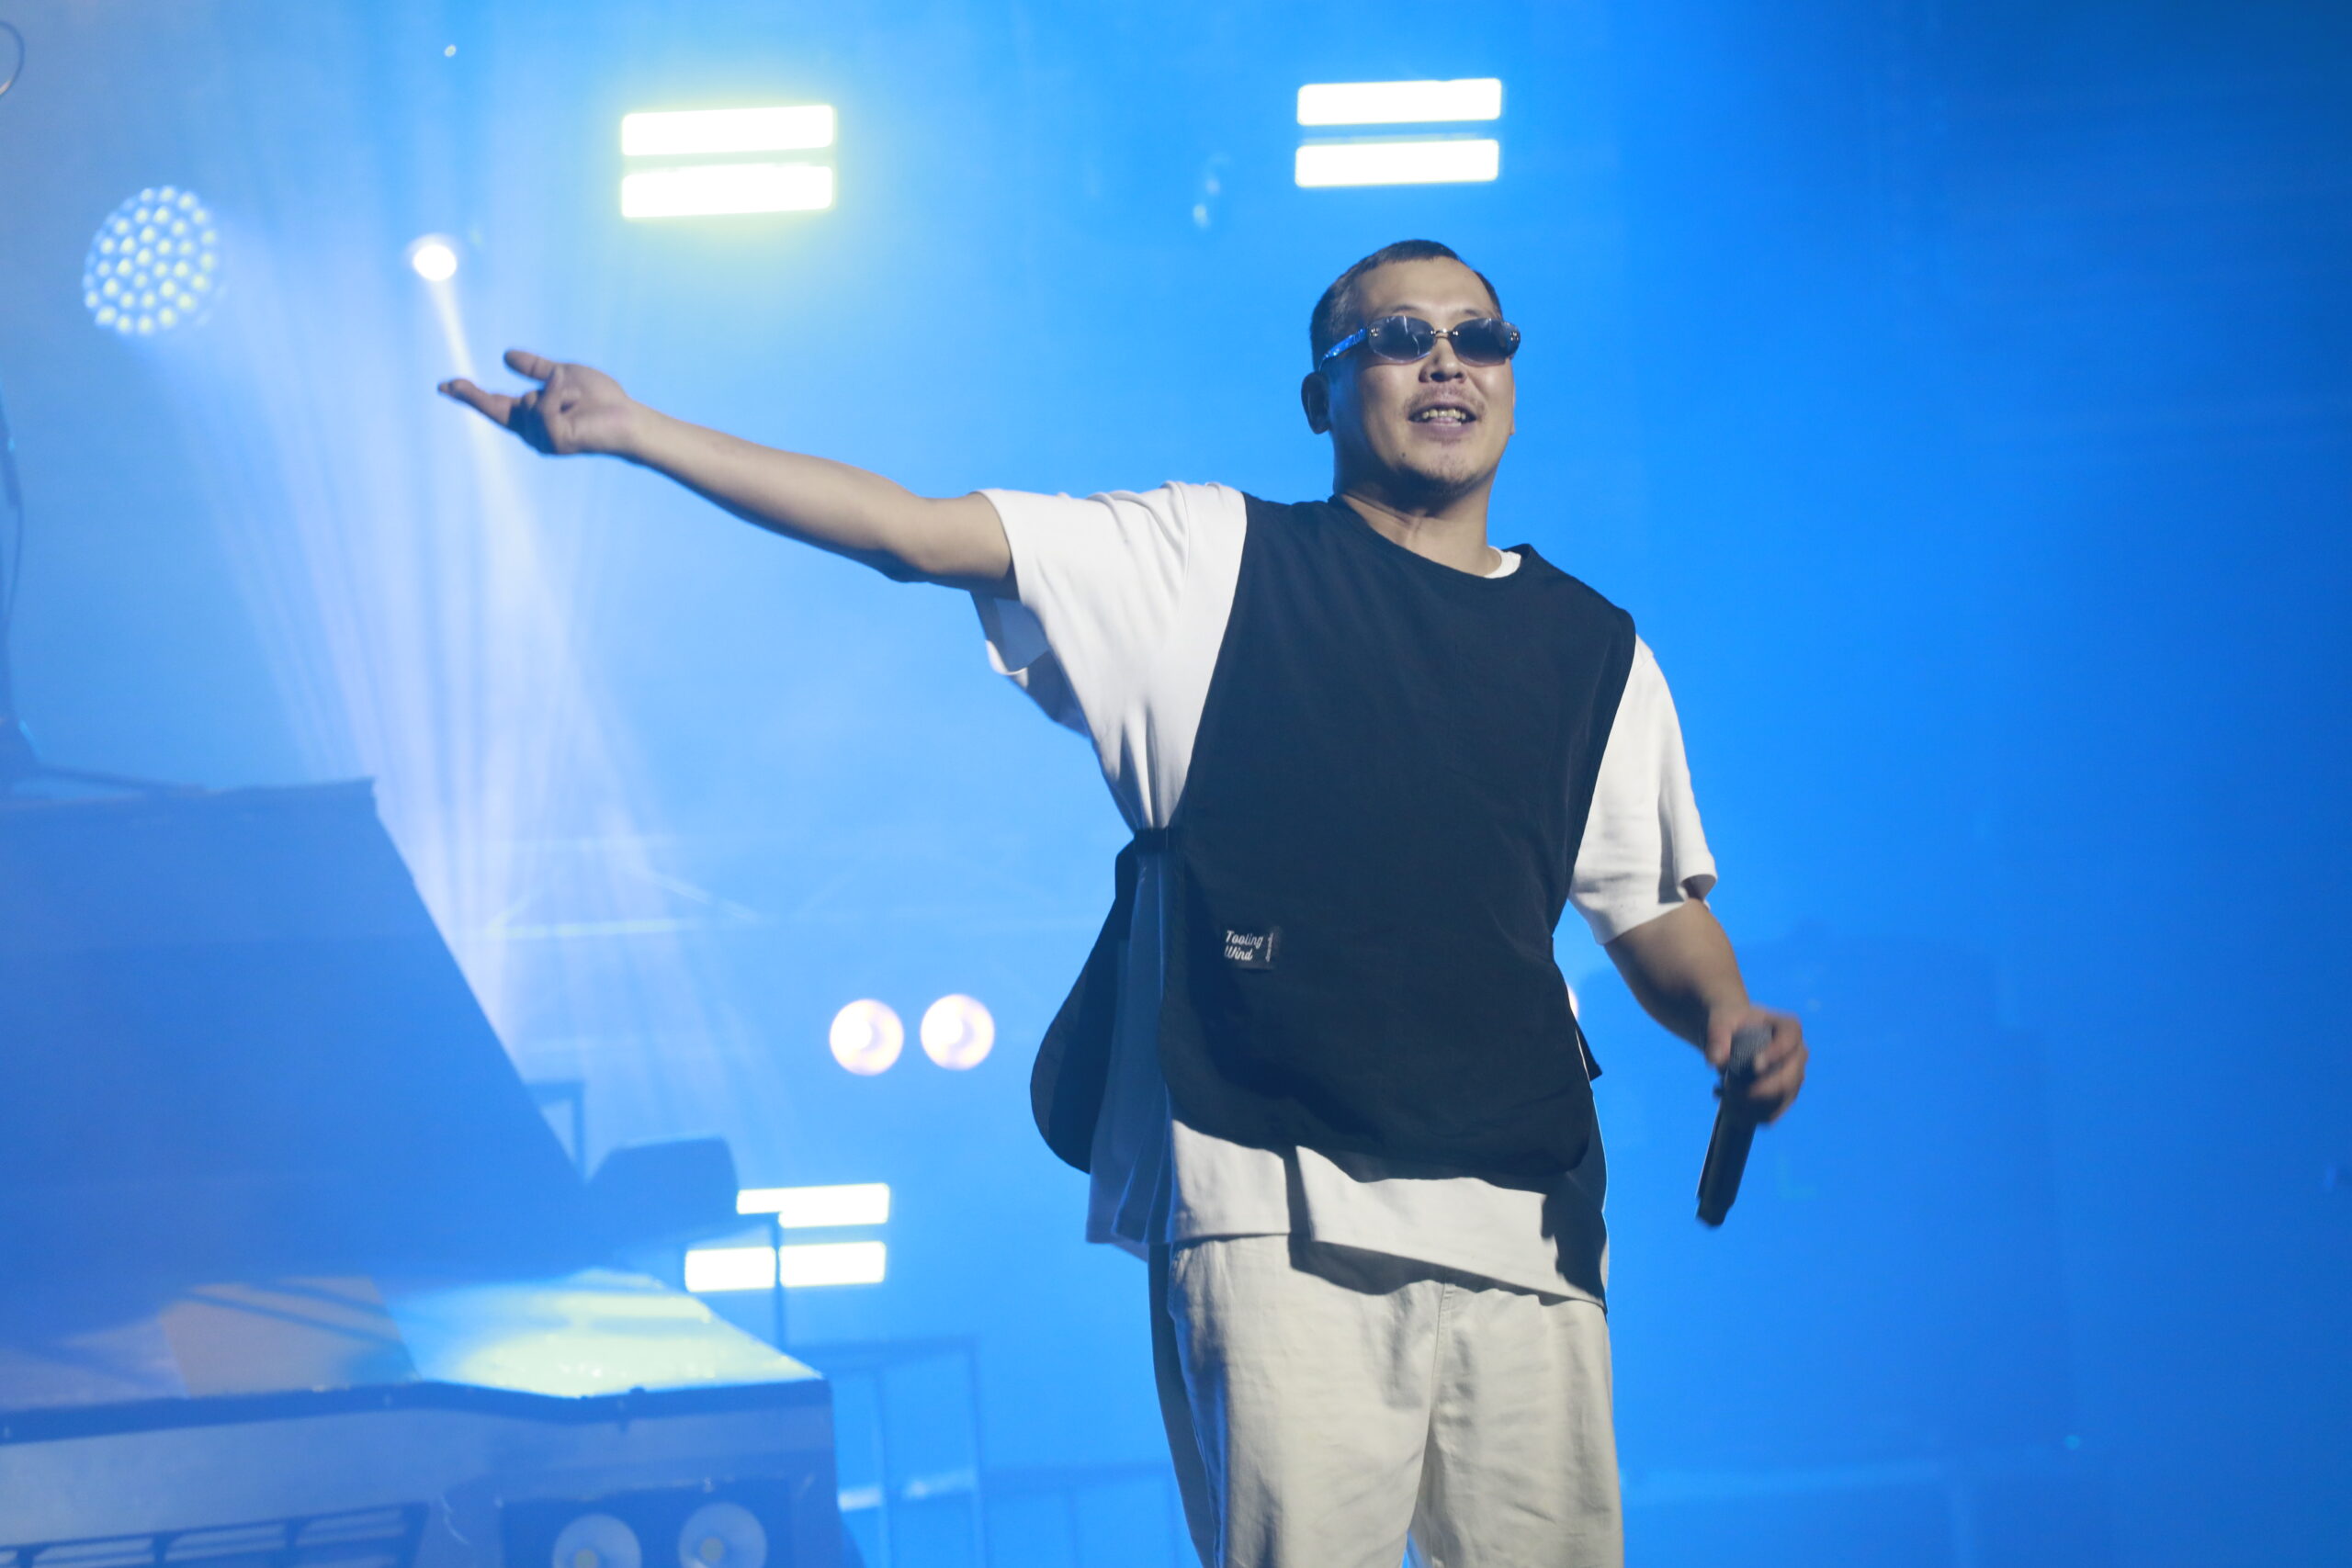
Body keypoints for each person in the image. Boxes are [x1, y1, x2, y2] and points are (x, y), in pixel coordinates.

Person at [441, 238, 1808, 1568]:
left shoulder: (1594, 647)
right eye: (1400, 337)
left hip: (1527, 1212)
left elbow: (1647, 907)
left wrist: (1730, 1018)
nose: (1446, 362)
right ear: (1323, 395)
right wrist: (638, 433)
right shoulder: (1205, 558)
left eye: (1478, 337)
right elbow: (916, 534)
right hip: (1275, 1189)